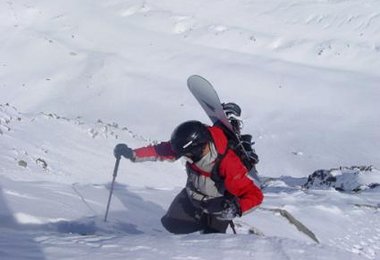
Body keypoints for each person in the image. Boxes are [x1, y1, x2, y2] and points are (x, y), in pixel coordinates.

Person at [113, 120, 263, 234]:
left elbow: (255, 195)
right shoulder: (191, 147)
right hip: (191, 197)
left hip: (217, 207)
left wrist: (236, 208)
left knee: (211, 244)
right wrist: (132, 153)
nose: (185, 157)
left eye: (187, 154)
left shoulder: (227, 163)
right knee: (172, 224)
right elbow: (162, 150)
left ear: (199, 148)